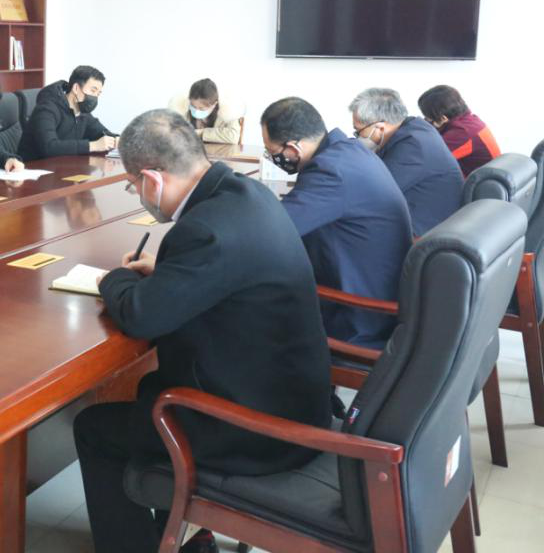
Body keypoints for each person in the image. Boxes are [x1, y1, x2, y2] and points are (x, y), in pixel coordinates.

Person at [75, 109, 331, 553]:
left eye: (133, 185)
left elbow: (141, 316)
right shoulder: (248, 194)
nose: (137, 194)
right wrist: (170, 274)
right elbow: (221, 273)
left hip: (256, 429)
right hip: (296, 402)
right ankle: (190, 535)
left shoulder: (204, 230)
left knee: (93, 428)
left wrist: (112, 279)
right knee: (146, 399)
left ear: (151, 179)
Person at [261, 97, 412, 348]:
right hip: (372, 294)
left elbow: (271, 231)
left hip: (357, 316)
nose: (273, 159)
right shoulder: (347, 152)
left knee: (240, 302)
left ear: (294, 148)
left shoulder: (331, 172)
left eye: (273, 153)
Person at [349, 87, 464, 236]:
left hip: (426, 233)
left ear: (380, 127)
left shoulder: (414, 148)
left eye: (358, 131)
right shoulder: (414, 127)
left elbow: (373, 193)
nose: (358, 137)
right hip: (420, 217)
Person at [18, 65, 118, 160]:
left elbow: (101, 132)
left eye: (98, 94)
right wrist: (93, 146)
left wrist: (116, 139)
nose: (95, 97)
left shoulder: (83, 112)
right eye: (93, 91)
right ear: (76, 88)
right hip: (32, 166)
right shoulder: (47, 108)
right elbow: (49, 147)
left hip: (62, 165)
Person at [417, 84, 501, 177]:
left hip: (476, 183)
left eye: (427, 117)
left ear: (443, 118)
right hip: (483, 178)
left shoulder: (463, 133)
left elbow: (427, 160)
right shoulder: (470, 121)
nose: (425, 120)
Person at [168, 78, 246, 144]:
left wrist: (201, 133)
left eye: (201, 108)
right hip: (189, 154)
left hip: (220, 155)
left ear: (214, 104)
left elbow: (233, 137)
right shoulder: (181, 108)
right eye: (193, 106)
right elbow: (172, 133)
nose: (196, 111)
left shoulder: (229, 112)